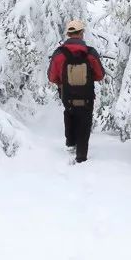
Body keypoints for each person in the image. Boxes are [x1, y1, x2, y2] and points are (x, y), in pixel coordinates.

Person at [47, 19, 105, 163]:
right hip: (86, 97)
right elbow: (100, 75)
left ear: (68, 34)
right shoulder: (91, 53)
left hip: (67, 96)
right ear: (82, 34)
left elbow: (52, 77)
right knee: (84, 122)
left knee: (69, 113)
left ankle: (70, 144)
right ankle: (81, 157)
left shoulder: (59, 54)